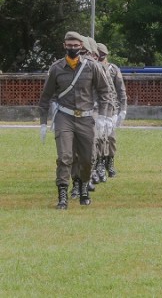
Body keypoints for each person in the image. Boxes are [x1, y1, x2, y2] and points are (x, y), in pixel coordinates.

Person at [38, 31, 113, 209]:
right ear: (64, 45)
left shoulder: (92, 67)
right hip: (64, 117)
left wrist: (103, 116)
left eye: (76, 45)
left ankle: (83, 186)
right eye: (69, 45)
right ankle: (62, 194)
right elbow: (45, 97)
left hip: (86, 118)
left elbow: (104, 91)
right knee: (65, 156)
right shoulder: (56, 68)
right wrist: (42, 122)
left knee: (88, 159)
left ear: (81, 46)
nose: (72, 48)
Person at [97, 43, 126, 178]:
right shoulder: (93, 68)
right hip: (97, 108)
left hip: (112, 108)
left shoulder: (113, 69)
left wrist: (122, 110)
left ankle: (110, 161)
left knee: (111, 137)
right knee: (99, 137)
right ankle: (100, 163)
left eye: (103, 55)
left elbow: (121, 91)